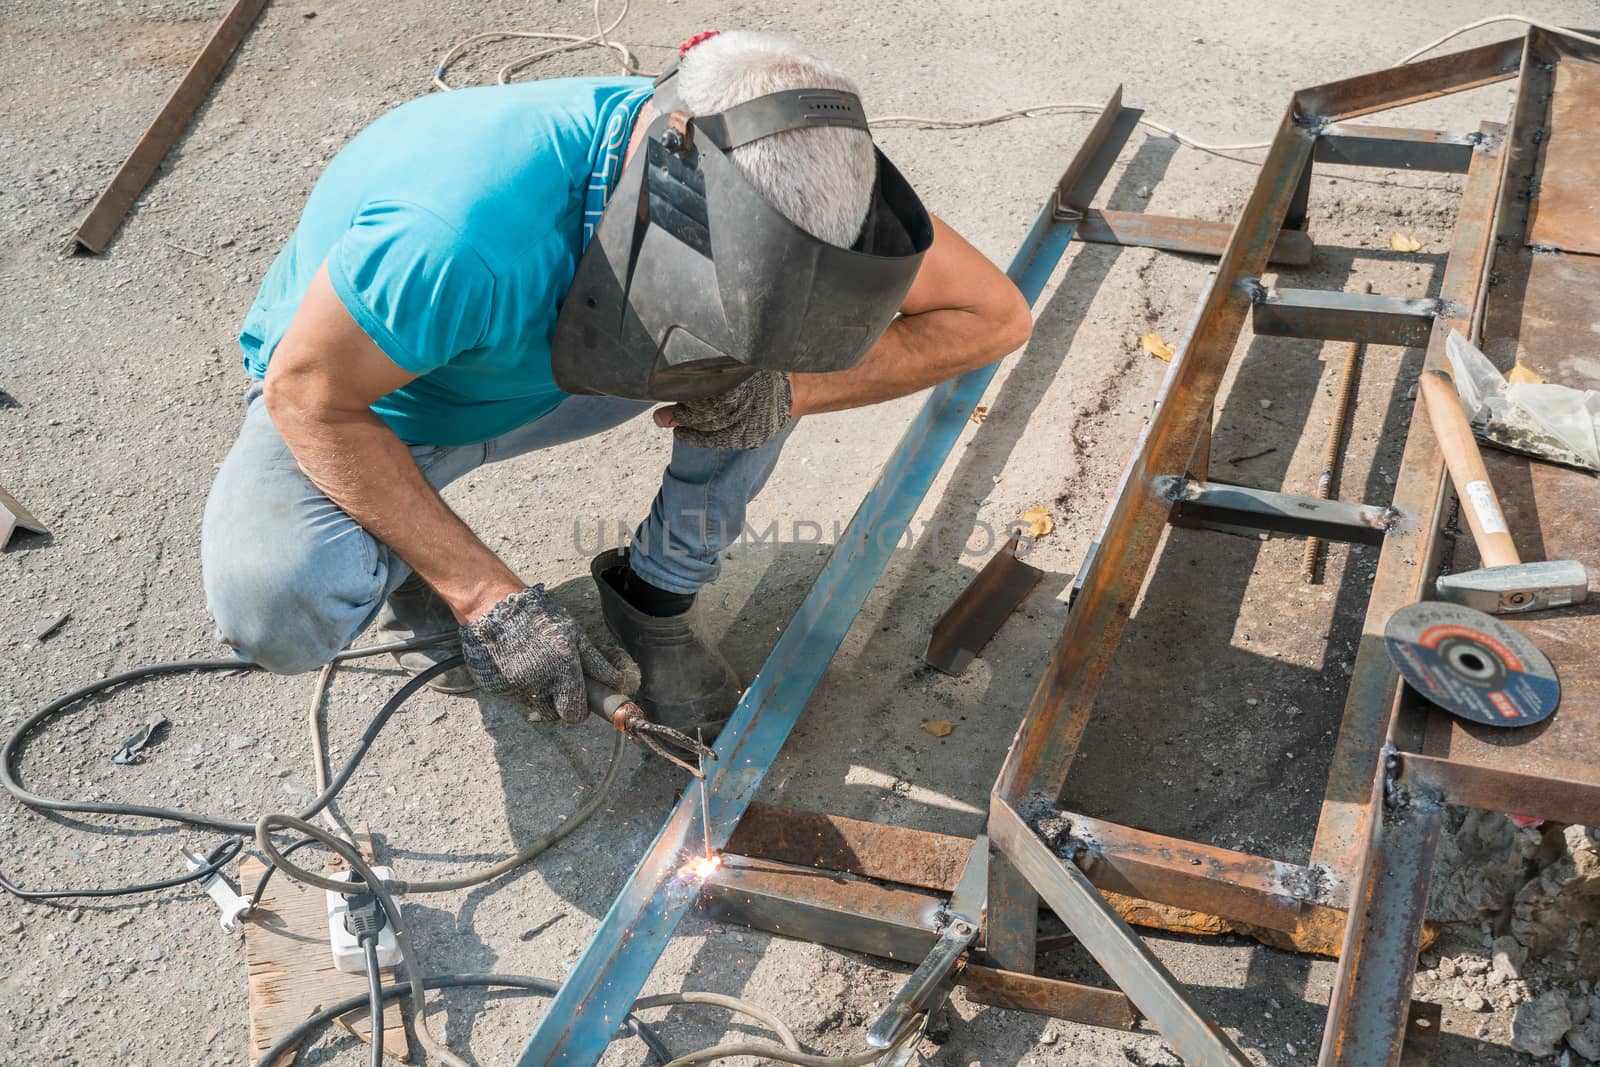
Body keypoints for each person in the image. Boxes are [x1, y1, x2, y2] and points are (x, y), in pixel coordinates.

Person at [200, 30, 1031, 735]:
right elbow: (309, 395)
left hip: (571, 369)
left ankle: (655, 596)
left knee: (773, 359)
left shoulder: (785, 162)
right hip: (388, 402)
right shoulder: (455, 235)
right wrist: (491, 597)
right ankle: (411, 555)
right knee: (279, 600)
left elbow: (994, 317)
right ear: (666, 173)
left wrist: (784, 391)